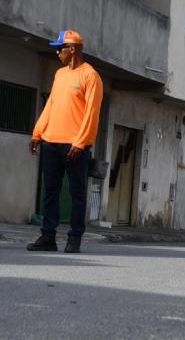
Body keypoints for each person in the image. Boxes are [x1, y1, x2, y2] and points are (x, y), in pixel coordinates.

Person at [27, 30, 104, 253]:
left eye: (60, 48)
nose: (57, 52)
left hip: (75, 146)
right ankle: (48, 236)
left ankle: (74, 239)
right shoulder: (60, 74)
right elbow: (51, 104)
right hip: (51, 142)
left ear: (73, 49)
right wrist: (37, 133)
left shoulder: (91, 76)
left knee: (77, 193)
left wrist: (80, 143)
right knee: (50, 191)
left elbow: (92, 113)